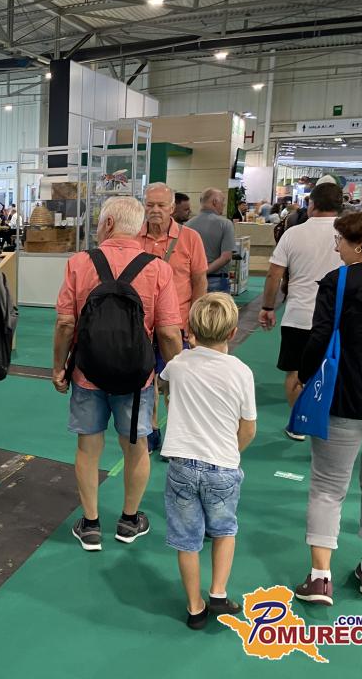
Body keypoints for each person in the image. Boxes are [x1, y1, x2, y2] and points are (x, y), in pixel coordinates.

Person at [52, 197, 183, 551]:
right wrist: (174, 377)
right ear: (139, 227)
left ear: (108, 224)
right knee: (136, 447)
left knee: (88, 447)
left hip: (87, 374)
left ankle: (91, 524)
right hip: (136, 380)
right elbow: (169, 332)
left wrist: (58, 367)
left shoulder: (79, 263)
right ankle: (129, 520)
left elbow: (65, 324)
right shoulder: (158, 269)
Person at [294, 211, 362, 606]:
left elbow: (320, 337)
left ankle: (320, 577)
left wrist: (305, 376)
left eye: (340, 240)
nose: (336, 246)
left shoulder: (338, 281)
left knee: (328, 486)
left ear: (359, 245)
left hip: (342, 396)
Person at [160, 293, 256, 629]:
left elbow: (162, 384)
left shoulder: (178, 365)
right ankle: (218, 592)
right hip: (223, 466)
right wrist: (231, 453)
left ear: (190, 331)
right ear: (232, 333)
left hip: (182, 465)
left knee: (187, 540)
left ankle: (194, 606)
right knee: (225, 530)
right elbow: (248, 428)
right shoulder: (241, 372)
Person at [258, 183, 343, 438]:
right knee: (334, 372)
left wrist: (267, 307)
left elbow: (274, 274)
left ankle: (299, 425)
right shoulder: (348, 234)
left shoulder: (293, 234)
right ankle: (330, 424)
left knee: (294, 372)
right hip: (337, 319)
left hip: (299, 316)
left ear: (311, 204)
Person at [139, 183, 208, 452]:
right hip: (142, 325)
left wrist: (195, 320)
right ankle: (151, 429)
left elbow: (199, 281)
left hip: (178, 324)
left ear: (171, 208)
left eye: (161, 205)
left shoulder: (190, 238)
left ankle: (177, 435)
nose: (155, 210)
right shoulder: (134, 237)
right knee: (146, 380)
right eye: (150, 205)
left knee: (176, 381)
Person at [187, 188, 236, 292]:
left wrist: (197, 274)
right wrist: (203, 273)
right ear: (215, 202)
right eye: (223, 201)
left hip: (191, 280)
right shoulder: (225, 224)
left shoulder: (187, 225)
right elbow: (226, 257)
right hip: (216, 280)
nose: (224, 204)